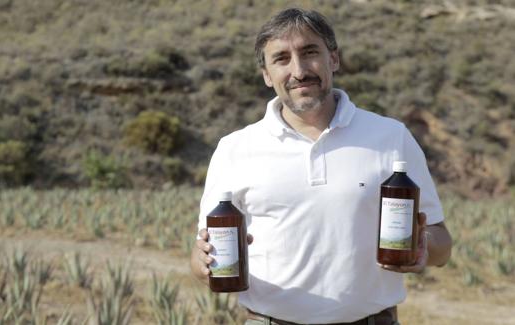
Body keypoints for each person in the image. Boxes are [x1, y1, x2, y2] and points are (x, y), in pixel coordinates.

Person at [190, 7, 452, 325]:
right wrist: (203, 264)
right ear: (266, 75)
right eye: (281, 59)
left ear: (334, 59)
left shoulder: (390, 136)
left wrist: (424, 248)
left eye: (309, 52)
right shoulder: (235, 148)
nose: (299, 71)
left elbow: (441, 241)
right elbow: (202, 256)